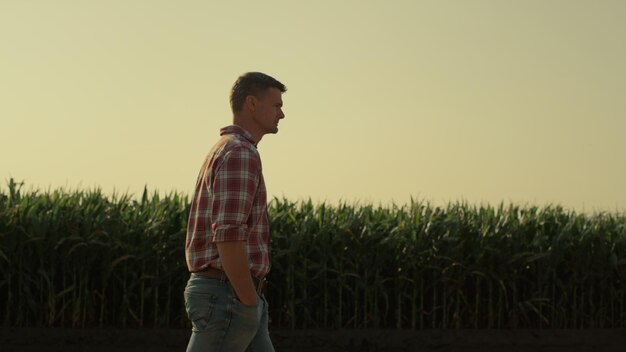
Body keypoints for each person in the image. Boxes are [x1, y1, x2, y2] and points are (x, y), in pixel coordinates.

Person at [184, 72, 286, 352]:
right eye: (276, 105)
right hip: (228, 296)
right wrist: (248, 301)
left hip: (235, 294)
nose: (282, 114)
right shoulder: (240, 153)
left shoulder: (226, 149)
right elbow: (228, 235)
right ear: (252, 104)